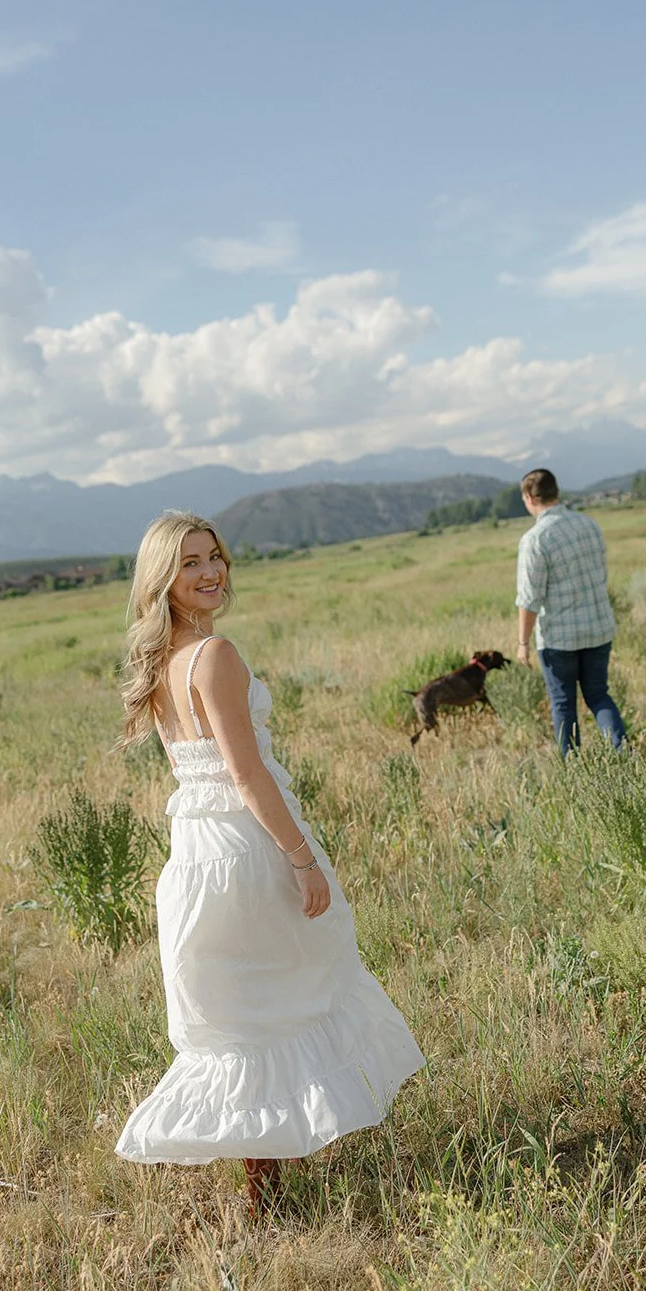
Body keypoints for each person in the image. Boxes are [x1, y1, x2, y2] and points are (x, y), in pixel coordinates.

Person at [114, 510, 424, 1213]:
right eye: (191, 562)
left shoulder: (162, 662)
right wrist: (302, 858)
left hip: (196, 852)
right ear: (163, 578)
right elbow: (245, 773)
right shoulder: (213, 656)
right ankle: (273, 1177)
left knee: (245, 1013)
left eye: (215, 556)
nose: (211, 571)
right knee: (293, 994)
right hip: (244, 845)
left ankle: (266, 1187)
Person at [514, 468, 628, 757]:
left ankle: (573, 770)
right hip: (598, 628)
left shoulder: (535, 539)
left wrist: (523, 643)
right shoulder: (589, 525)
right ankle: (623, 755)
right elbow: (601, 575)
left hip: (559, 639)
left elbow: (529, 598)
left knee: (563, 704)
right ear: (556, 491)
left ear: (529, 498)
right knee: (599, 696)